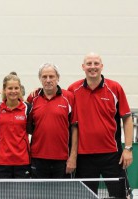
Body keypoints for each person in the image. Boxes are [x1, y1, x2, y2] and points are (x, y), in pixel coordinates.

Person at [68, 52, 133, 198]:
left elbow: (127, 119)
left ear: (102, 66)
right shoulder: (73, 90)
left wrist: (128, 148)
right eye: (89, 64)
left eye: (96, 63)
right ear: (83, 67)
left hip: (112, 155)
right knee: (87, 196)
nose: (93, 67)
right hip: (84, 157)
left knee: (120, 196)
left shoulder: (115, 88)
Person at [27, 63, 78, 178]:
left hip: (62, 160)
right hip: (37, 158)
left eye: (51, 76)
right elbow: (28, 127)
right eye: (44, 77)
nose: (48, 80)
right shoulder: (32, 98)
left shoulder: (69, 97)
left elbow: (74, 128)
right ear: (40, 79)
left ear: (58, 78)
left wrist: (73, 157)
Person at [0, 74, 32, 178]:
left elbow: (30, 130)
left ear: (20, 89)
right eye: (10, 88)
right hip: (2, 161)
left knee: (21, 194)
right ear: (4, 90)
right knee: (3, 194)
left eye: (16, 88)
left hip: (22, 161)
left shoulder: (27, 108)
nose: (13, 91)